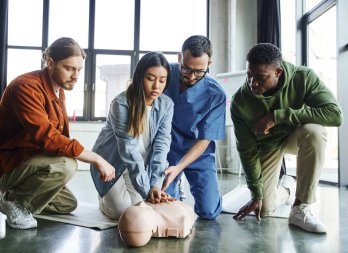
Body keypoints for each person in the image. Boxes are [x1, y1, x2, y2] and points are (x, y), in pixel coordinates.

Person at [0, 37, 116, 229]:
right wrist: (96, 158)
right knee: (66, 165)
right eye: (69, 68)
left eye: (79, 70)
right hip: (5, 161)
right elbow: (48, 138)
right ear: (50, 63)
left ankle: (6, 192)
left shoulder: (58, 91)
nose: (76, 76)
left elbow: (61, 137)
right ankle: (14, 203)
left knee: (67, 204)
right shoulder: (26, 86)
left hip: (29, 159)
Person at [231, 43, 343, 233]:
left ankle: (301, 207)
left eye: (261, 77)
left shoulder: (303, 77)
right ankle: (287, 186)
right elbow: (247, 150)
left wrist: (278, 117)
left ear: (278, 72)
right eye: (249, 75)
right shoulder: (240, 101)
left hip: (296, 136)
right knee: (264, 208)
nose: (253, 83)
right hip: (269, 146)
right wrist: (256, 193)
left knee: (315, 131)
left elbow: (334, 115)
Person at [90, 52, 174, 220]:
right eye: (150, 78)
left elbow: (162, 145)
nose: (156, 86)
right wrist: (146, 189)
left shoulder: (166, 104)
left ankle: (124, 195)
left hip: (138, 168)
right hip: (112, 166)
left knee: (139, 208)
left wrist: (155, 185)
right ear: (139, 77)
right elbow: (129, 150)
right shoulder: (121, 103)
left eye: (162, 80)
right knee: (122, 212)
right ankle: (104, 199)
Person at [162, 35, 227, 219]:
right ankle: (176, 187)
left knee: (209, 212)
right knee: (167, 208)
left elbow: (205, 139)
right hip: (166, 150)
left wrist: (179, 166)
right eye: (186, 69)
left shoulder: (216, 94)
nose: (191, 77)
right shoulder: (164, 75)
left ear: (209, 63)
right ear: (179, 58)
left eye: (199, 71)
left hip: (198, 152)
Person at [118, 201, 196, 247]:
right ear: (153, 228)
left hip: (171, 204)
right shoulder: (180, 222)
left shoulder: (136, 207)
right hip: (175, 206)